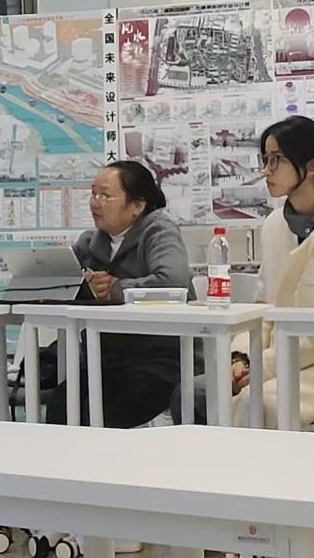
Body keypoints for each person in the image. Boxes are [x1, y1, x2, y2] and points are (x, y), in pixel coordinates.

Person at [171, 115, 314, 427]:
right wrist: (241, 357)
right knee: (192, 393)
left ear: (311, 166)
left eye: (276, 160)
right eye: (265, 160)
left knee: (257, 401)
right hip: (285, 361)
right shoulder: (275, 225)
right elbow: (264, 307)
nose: (266, 170)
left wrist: (262, 366)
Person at [44, 160, 196, 428]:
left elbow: (173, 283)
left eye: (105, 196)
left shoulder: (159, 231)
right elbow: (60, 278)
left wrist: (115, 289)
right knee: (63, 403)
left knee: (108, 407)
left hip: (161, 360)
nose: (95, 203)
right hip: (105, 358)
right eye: (93, 194)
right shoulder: (92, 241)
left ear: (137, 205)